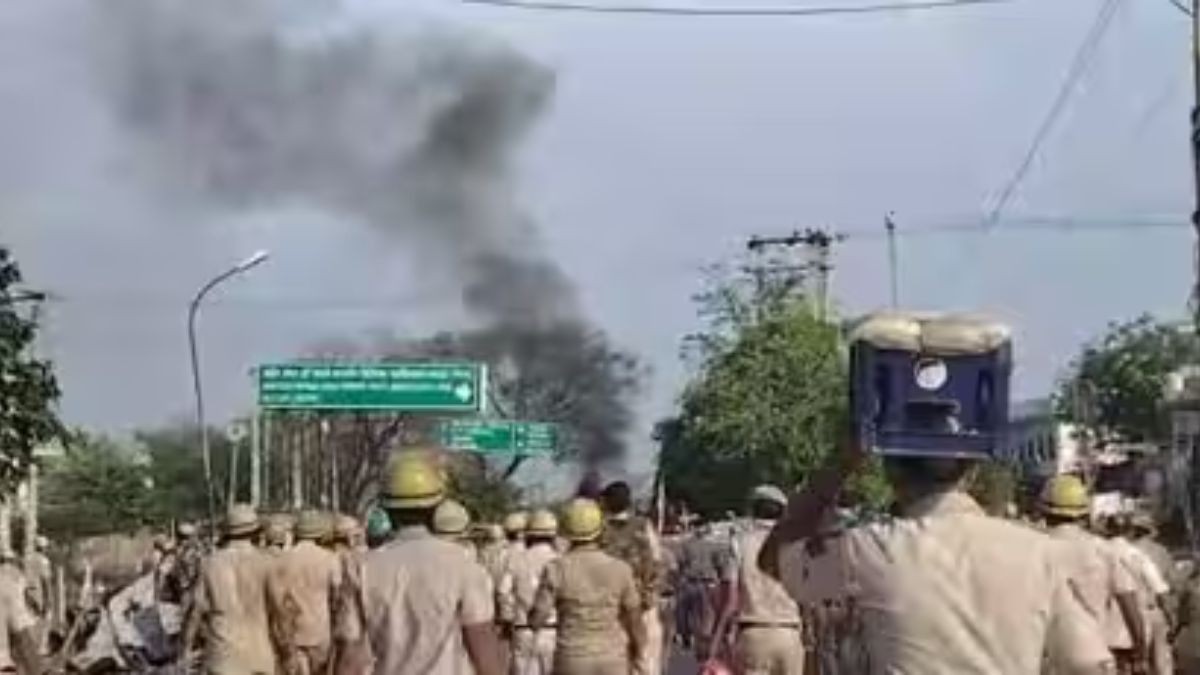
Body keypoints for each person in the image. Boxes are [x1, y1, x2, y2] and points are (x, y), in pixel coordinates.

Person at [759, 312, 1116, 675]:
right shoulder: (1040, 555)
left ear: (890, 468)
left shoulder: (868, 549)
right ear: (972, 467)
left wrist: (840, 463)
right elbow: (1087, 664)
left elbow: (775, 561)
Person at [334, 451, 503, 675]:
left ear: (387, 510)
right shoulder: (462, 564)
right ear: (436, 509)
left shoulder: (362, 568)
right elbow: (484, 650)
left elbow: (350, 658)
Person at [1041, 475, 1147, 671]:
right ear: (1084, 513)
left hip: (1047, 659)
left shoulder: (1034, 549)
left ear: (1044, 511)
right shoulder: (1104, 550)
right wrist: (1140, 652)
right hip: (1094, 655)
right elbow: (1129, 604)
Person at [532, 498, 644, 675]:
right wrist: (638, 650)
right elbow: (634, 617)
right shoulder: (620, 569)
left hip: (572, 658)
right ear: (600, 530)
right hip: (612, 657)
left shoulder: (556, 569)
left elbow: (538, 617)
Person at [710, 485, 803, 675]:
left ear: (752, 510)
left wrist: (716, 638)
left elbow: (730, 599)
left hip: (753, 633)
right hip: (790, 633)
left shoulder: (739, 543)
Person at [183, 503, 276, 675]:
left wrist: (186, 649)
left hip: (223, 656)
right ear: (255, 531)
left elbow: (196, 609)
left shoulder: (210, 563)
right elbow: (280, 611)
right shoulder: (268, 563)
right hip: (260, 655)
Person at [599, 481, 662, 675]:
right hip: (642, 605)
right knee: (645, 662)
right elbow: (657, 561)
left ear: (606, 502)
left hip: (609, 608)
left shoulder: (599, 530)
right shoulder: (643, 526)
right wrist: (650, 593)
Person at [268, 510, 341, 675]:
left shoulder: (283, 560)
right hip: (320, 633)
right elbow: (337, 598)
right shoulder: (329, 559)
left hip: (293, 634)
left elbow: (277, 599)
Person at [500, 509, 559, 675]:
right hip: (553, 631)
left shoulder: (517, 559)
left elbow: (503, 591)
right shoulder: (560, 560)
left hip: (522, 630)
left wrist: (507, 618)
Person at [0, 552, 42, 674]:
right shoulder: (16, 573)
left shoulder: (11, 574)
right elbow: (27, 594)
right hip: (18, 620)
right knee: (25, 651)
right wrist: (35, 605)